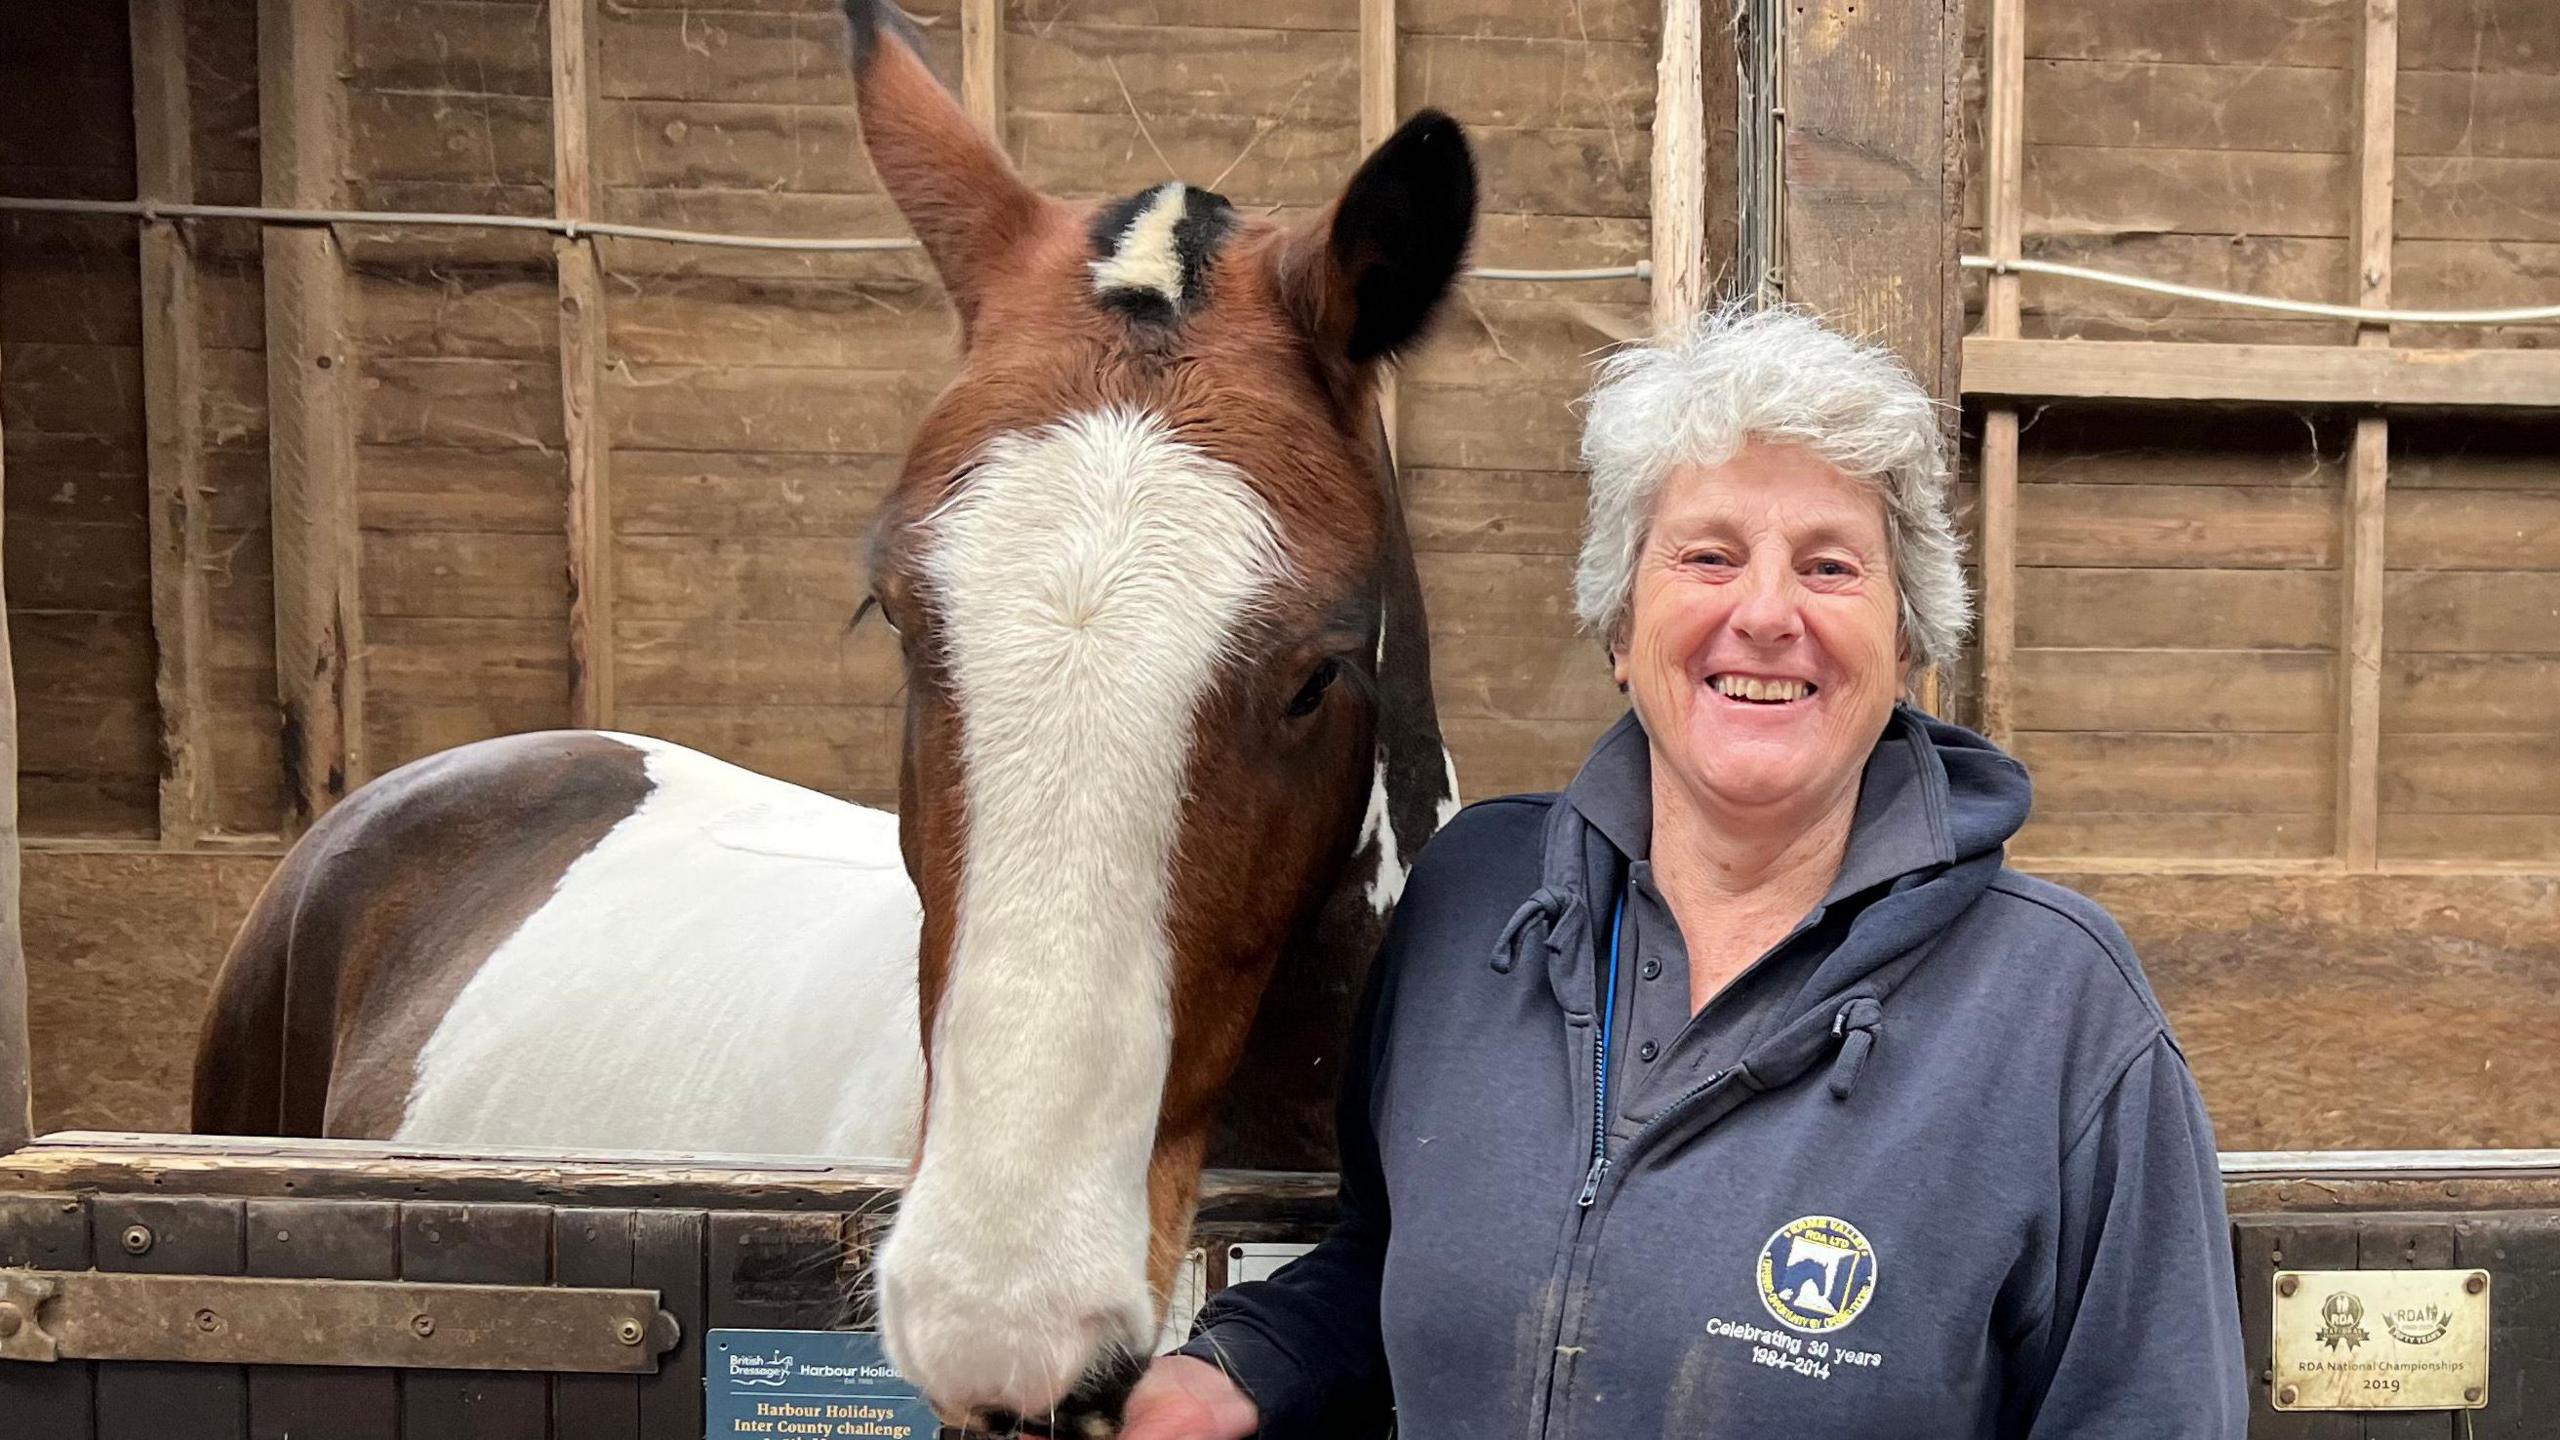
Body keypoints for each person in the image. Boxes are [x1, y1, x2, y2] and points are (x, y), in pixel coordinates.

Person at [1121, 302, 2250, 1439]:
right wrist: (1237, 1369)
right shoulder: (1475, 904)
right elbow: (1394, 1259)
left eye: (1830, 564)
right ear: (1619, 627)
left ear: (1907, 642)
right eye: (1708, 555)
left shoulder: (2057, 1013)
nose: (1765, 613)